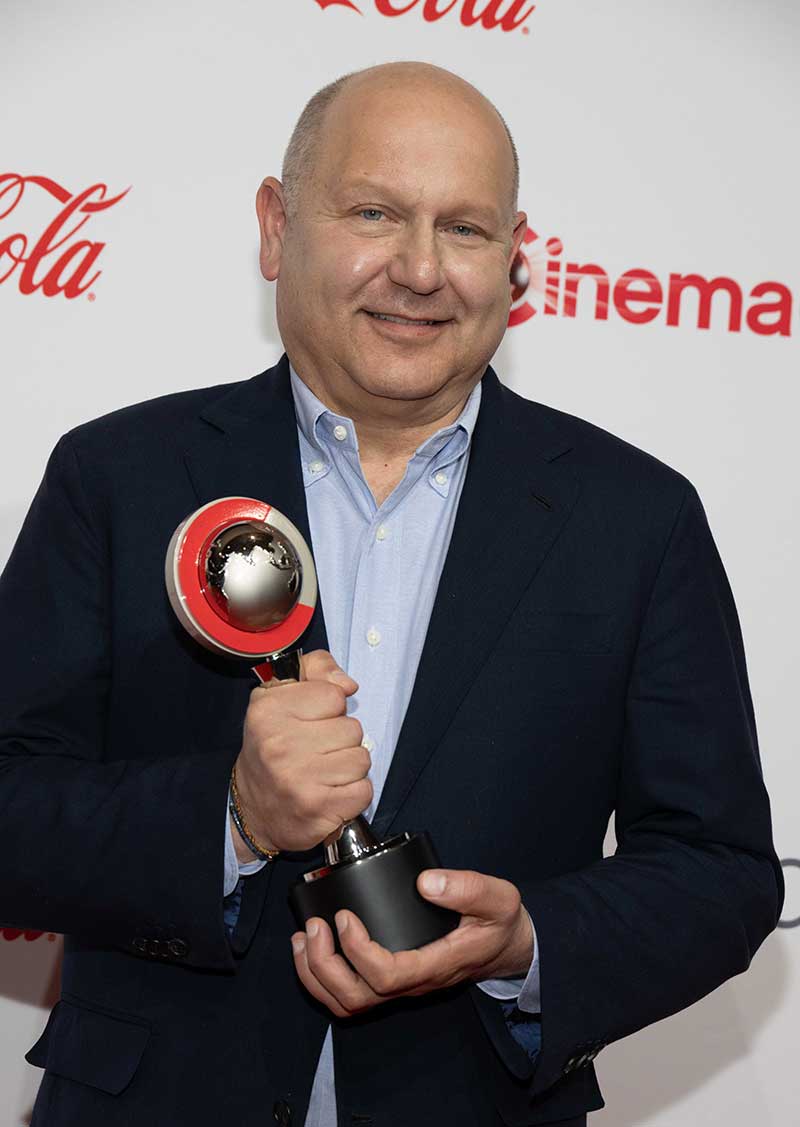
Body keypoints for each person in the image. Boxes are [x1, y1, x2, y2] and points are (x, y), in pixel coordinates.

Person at [0, 61, 782, 1127]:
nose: (420, 269)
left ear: (515, 258)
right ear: (278, 227)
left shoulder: (634, 518)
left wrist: (526, 943)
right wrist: (230, 815)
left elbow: (719, 869)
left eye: (465, 228)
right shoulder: (119, 477)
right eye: (374, 211)